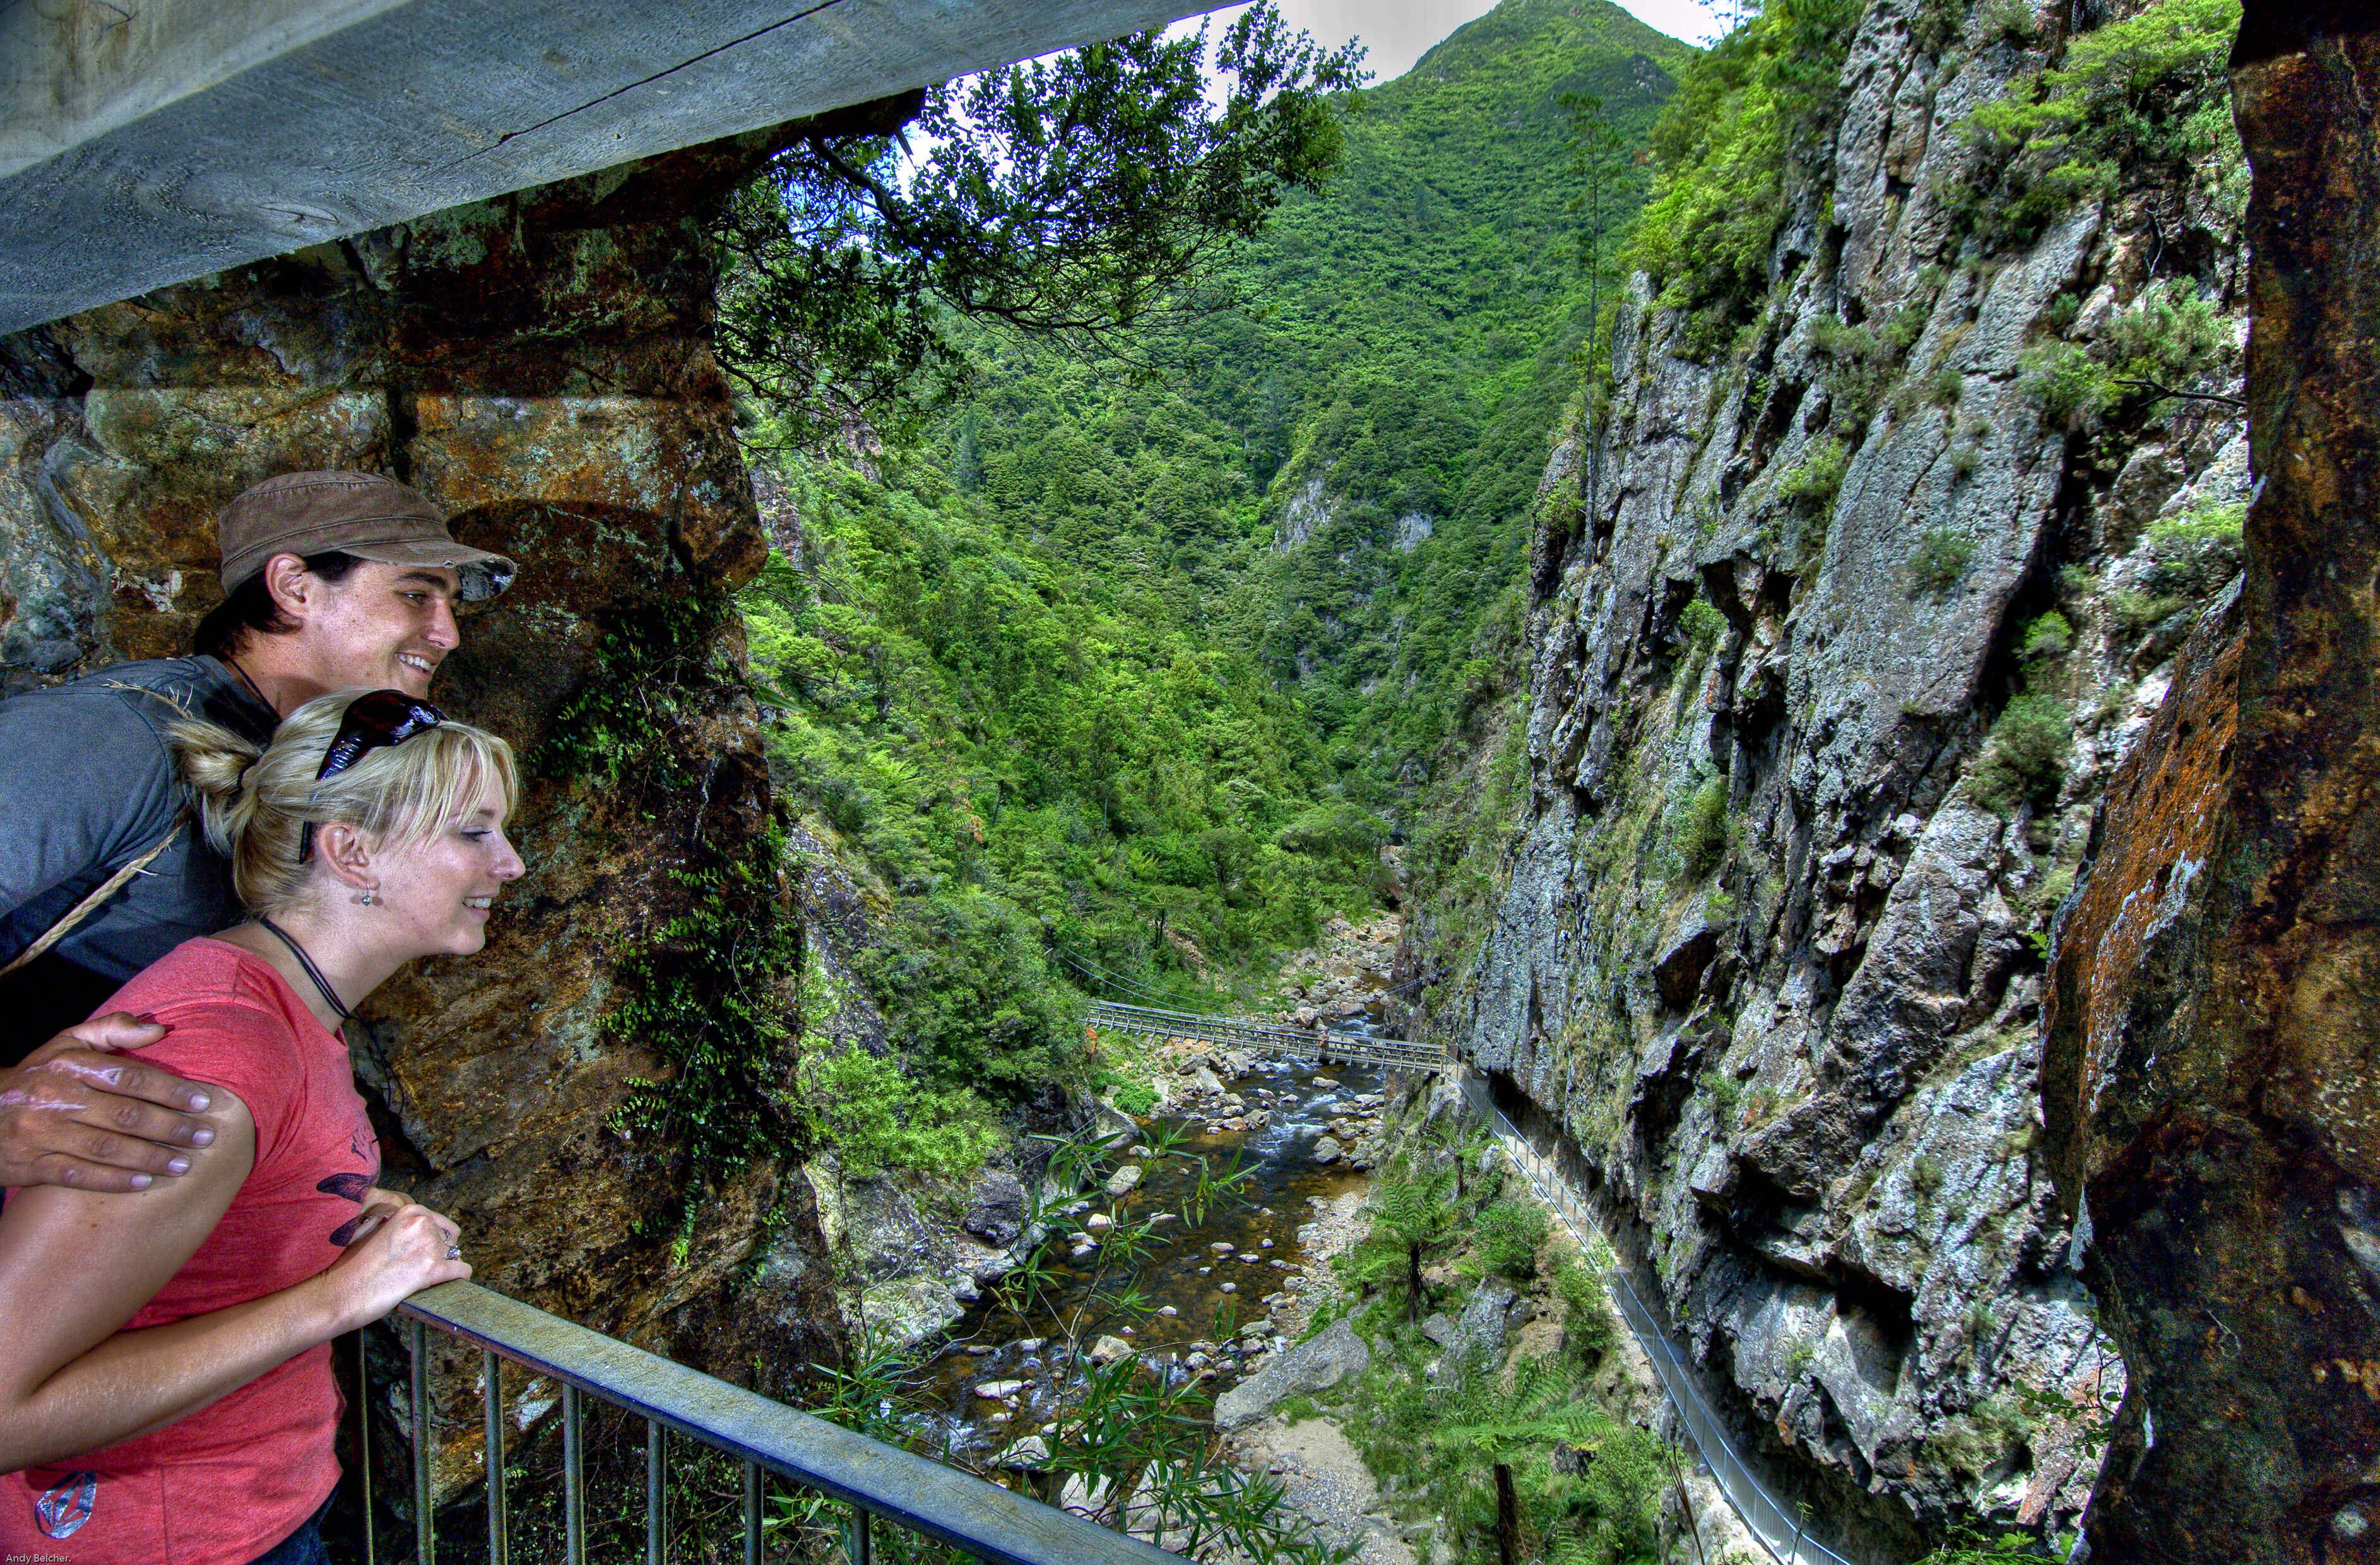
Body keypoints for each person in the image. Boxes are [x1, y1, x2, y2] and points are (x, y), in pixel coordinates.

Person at [0, 687, 523, 1565]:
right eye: (472, 832)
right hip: (157, 1539)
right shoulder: (226, 1050)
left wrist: (323, 1210)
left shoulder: (276, 1012)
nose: (508, 864)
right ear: (352, 852)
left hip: (237, 1522)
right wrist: (336, 1299)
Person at [0, 470, 515, 1195]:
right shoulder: (115, 738)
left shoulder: (303, 770)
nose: (447, 633)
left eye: (450, 604)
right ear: (295, 587)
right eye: (415, 593)